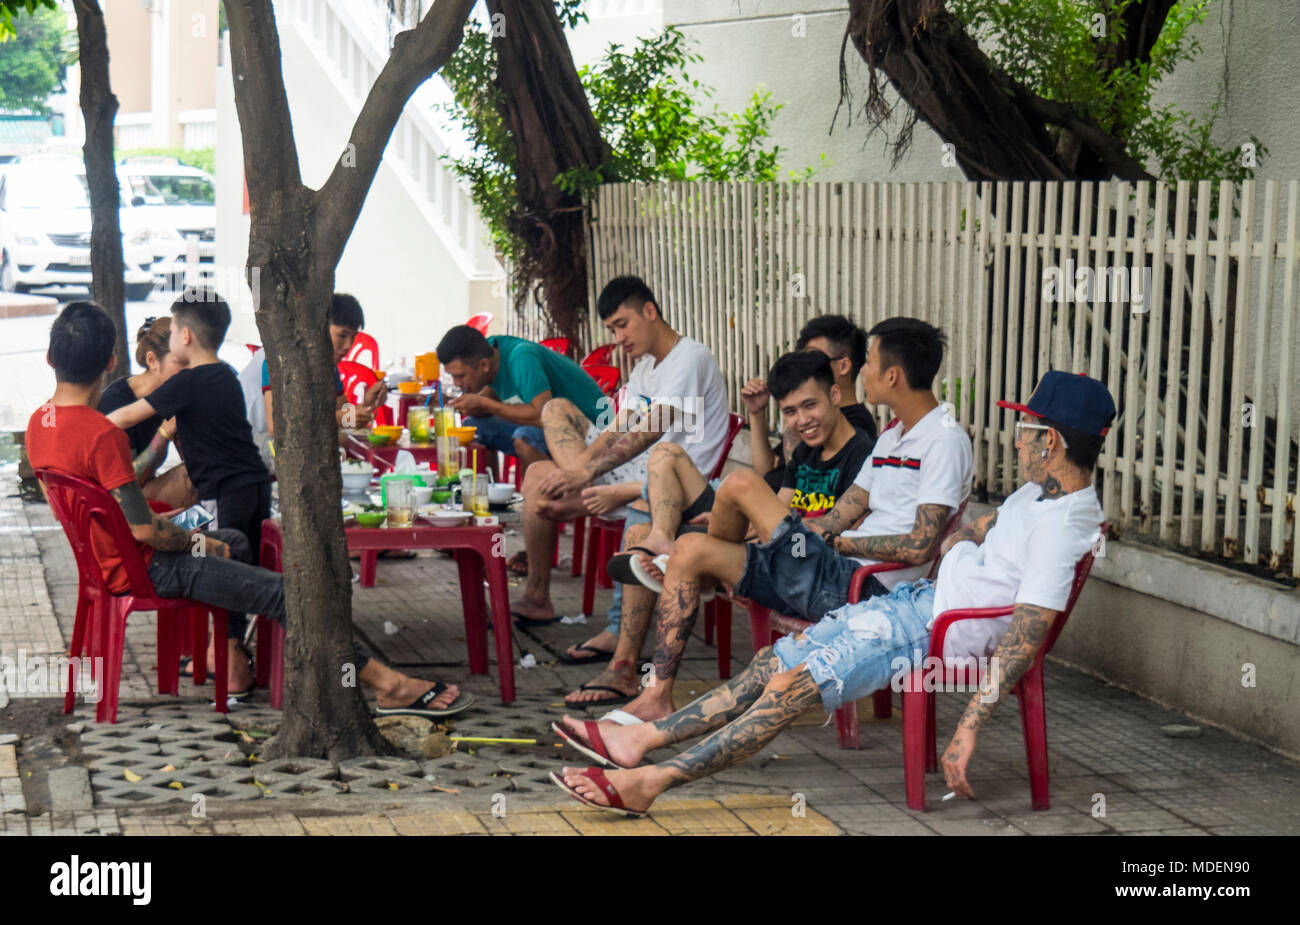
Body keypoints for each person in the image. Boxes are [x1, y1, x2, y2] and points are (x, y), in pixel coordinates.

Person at [549, 370, 1115, 816]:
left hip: (929, 630)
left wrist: (967, 726)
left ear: (1053, 443)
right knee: (770, 662)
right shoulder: (1035, 497)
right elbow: (976, 529)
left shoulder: (1063, 525)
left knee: (788, 688)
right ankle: (641, 739)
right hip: (910, 608)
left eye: (1026, 430)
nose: (1016, 440)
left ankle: (650, 781)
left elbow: (1026, 633)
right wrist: (966, 543)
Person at [29, 301, 471, 718]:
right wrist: (194, 541)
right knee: (285, 592)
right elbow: (144, 531)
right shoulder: (102, 437)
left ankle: (229, 653)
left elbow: (75, 512)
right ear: (110, 362)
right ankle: (388, 685)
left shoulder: (38, 425)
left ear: (50, 359)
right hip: (148, 564)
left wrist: (196, 539)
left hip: (109, 559)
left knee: (237, 542)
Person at [594, 317, 973, 722]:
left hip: (869, 590)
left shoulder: (944, 440)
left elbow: (921, 545)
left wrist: (836, 542)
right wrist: (813, 529)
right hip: (829, 570)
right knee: (690, 549)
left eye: (871, 363)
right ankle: (657, 695)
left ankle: (712, 577)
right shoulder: (892, 437)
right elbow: (842, 512)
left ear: (893, 376)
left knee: (740, 484)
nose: (862, 370)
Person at [563, 350, 874, 709]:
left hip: (817, 570)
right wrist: (743, 529)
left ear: (835, 396)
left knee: (737, 488)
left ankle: (702, 574)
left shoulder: (863, 455)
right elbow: (784, 510)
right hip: (780, 550)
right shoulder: (804, 451)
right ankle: (649, 689)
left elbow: (837, 537)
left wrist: (754, 530)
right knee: (663, 485)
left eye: (809, 406)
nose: (802, 420)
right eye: (790, 412)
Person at [508, 275, 730, 627]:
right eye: (612, 330)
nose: (618, 338)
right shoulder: (644, 368)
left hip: (674, 482)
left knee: (547, 487)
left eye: (622, 325)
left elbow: (652, 428)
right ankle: (538, 596)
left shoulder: (691, 356)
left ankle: (588, 495)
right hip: (637, 469)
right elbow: (619, 427)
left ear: (650, 311)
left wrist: (589, 473)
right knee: (548, 434)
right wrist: (580, 469)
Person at [106, 289, 273, 697]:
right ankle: (229, 656)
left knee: (205, 557)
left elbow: (127, 415)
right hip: (253, 489)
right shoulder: (226, 377)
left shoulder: (188, 383)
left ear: (184, 337)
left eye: (175, 325)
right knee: (237, 565)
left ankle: (229, 670)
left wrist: (84, 430)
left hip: (221, 497)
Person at [436, 325, 608, 474]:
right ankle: (489, 497)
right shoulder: (490, 351)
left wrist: (485, 404)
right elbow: (489, 397)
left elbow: (543, 416)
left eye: (460, 376)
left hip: (594, 433)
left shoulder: (521, 358)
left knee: (525, 436)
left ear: (484, 365)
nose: (457, 383)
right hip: (551, 427)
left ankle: (549, 500)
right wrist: (456, 403)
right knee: (474, 427)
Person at [744, 314, 878, 491]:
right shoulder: (806, 422)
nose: (804, 364)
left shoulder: (853, 426)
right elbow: (766, 470)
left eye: (814, 356)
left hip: (796, 513)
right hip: (776, 506)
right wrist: (756, 413)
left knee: (739, 486)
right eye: (790, 411)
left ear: (844, 366)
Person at [97, 316, 197, 509]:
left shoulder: (172, 393)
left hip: (142, 490)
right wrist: (165, 433)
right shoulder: (116, 404)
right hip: (116, 503)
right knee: (194, 476)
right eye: (181, 363)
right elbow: (127, 482)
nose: (189, 371)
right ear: (152, 360)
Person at [262, 293, 387, 442]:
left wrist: (367, 405)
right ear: (318, 328)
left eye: (353, 338)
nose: (348, 346)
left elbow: (344, 416)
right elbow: (276, 428)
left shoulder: (329, 367)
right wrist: (338, 419)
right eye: (342, 335)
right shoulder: (282, 360)